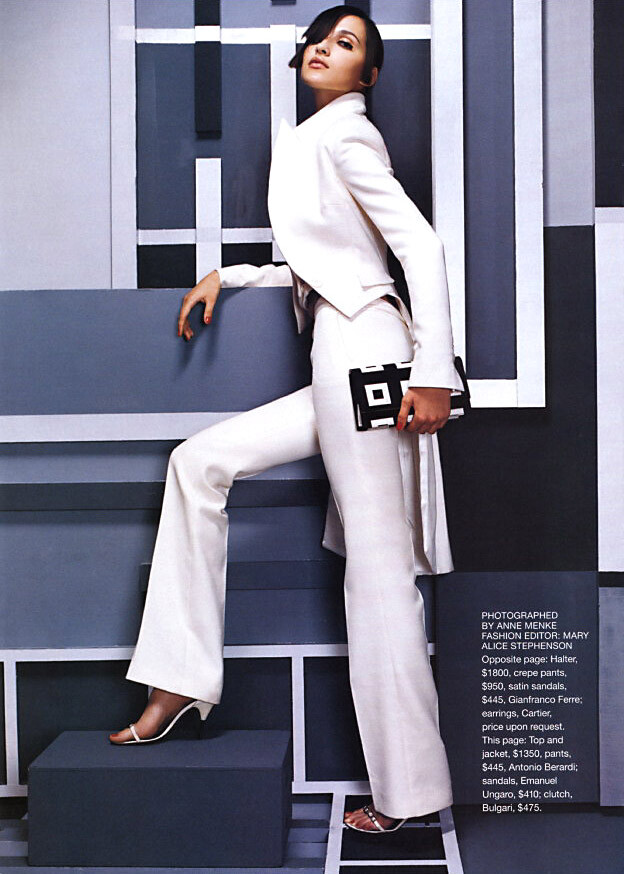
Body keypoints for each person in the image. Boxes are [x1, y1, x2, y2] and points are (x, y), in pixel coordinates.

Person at [109, 5, 463, 834]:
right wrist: (231, 276)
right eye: (322, 38)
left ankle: (411, 795)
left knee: (378, 574)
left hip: (369, 356)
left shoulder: (348, 134)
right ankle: (179, 679)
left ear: (368, 75)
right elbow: (327, 262)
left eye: (348, 45)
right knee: (198, 463)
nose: (325, 49)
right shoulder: (310, 139)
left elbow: (420, 247)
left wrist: (433, 373)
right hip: (341, 356)